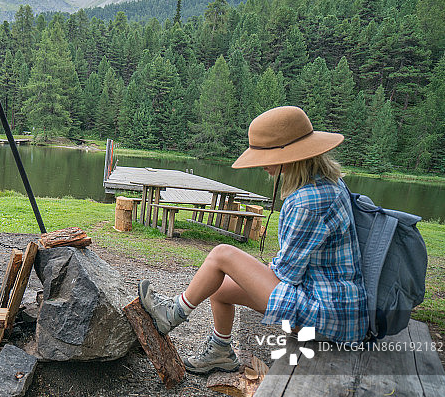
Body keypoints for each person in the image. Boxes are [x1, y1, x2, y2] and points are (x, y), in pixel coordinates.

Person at [138, 106, 368, 374]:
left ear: (290, 156)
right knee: (219, 286)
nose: (261, 164)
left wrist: (247, 271)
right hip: (339, 309)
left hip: (326, 317)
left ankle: (172, 313)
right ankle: (221, 351)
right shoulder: (328, 182)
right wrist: (250, 273)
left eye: (265, 155)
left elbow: (287, 275)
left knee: (222, 255)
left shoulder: (307, 201)